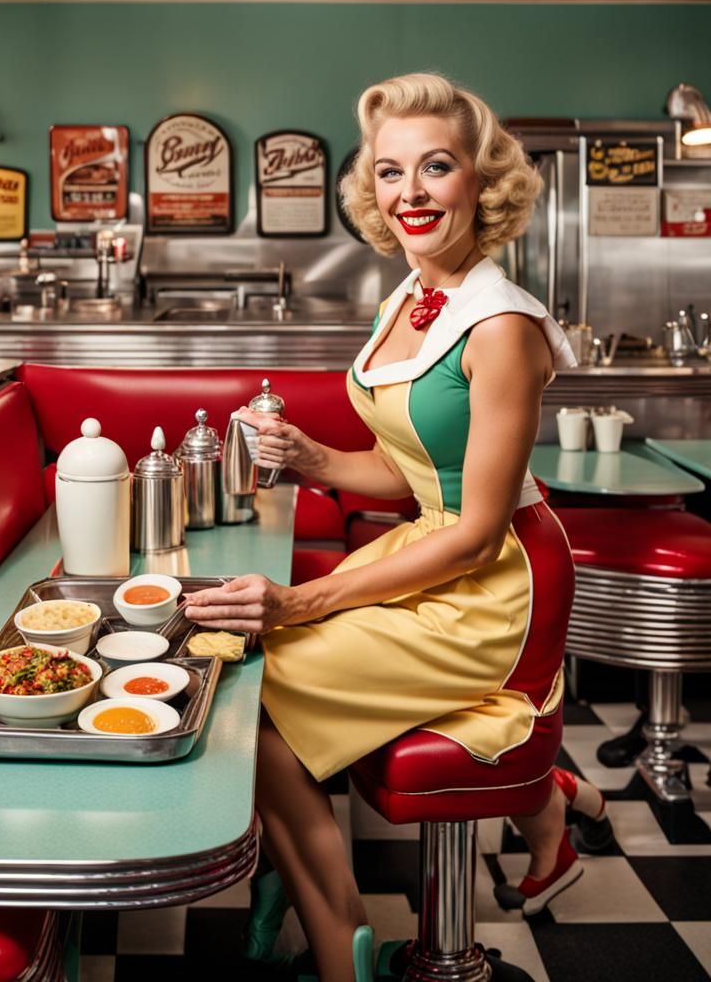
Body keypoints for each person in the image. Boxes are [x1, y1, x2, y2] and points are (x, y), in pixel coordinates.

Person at [183, 72, 588, 982]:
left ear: (482, 182)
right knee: (247, 670)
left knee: (260, 700)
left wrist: (304, 600)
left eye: (436, 167)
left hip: (496, 582)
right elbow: (406, 470)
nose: (411, 192)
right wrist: (312, 457)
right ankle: (301, 874)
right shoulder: (404, 299)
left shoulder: (503, 329)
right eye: (391, 171)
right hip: (433, 548)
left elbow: (474, 530)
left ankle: (342, 949)